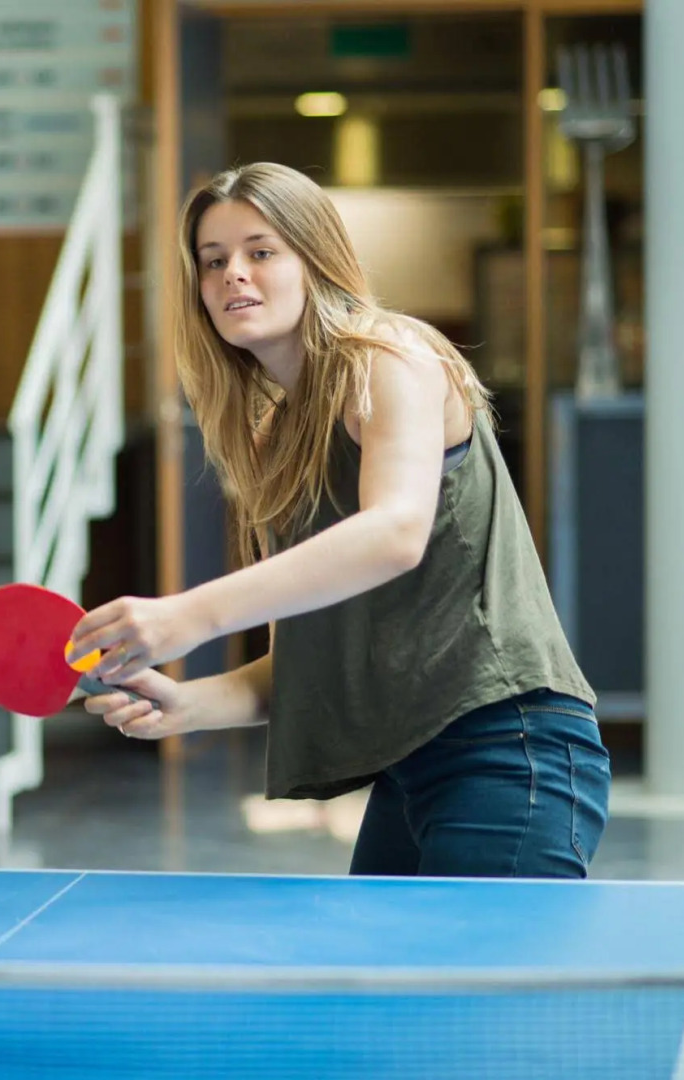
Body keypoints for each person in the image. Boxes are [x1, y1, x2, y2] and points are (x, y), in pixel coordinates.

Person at [67, 162, 610, 879]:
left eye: (261, 252)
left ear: (314, 260)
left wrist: (186, 618)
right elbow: (318, 650)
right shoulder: (276, 435)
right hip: (408, 765)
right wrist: (187, 703)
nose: (233, 273)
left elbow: (393, 534)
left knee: (466, 995)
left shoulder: (388, 359)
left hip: (507, 748)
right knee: (378, 993)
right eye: (213, 260)